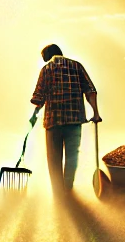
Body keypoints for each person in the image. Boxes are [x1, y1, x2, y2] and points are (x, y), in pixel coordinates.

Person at [29, 44, 100, 194]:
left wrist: (34, 114)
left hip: (53, 122)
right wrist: (96, 113)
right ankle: (68, 188)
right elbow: (90, 91)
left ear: (49, 55)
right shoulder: (77, 66)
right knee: (72, 157)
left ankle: (58, 193)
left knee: (54, 160)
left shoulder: (46, 70)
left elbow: (38, 98)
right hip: (74, 121)